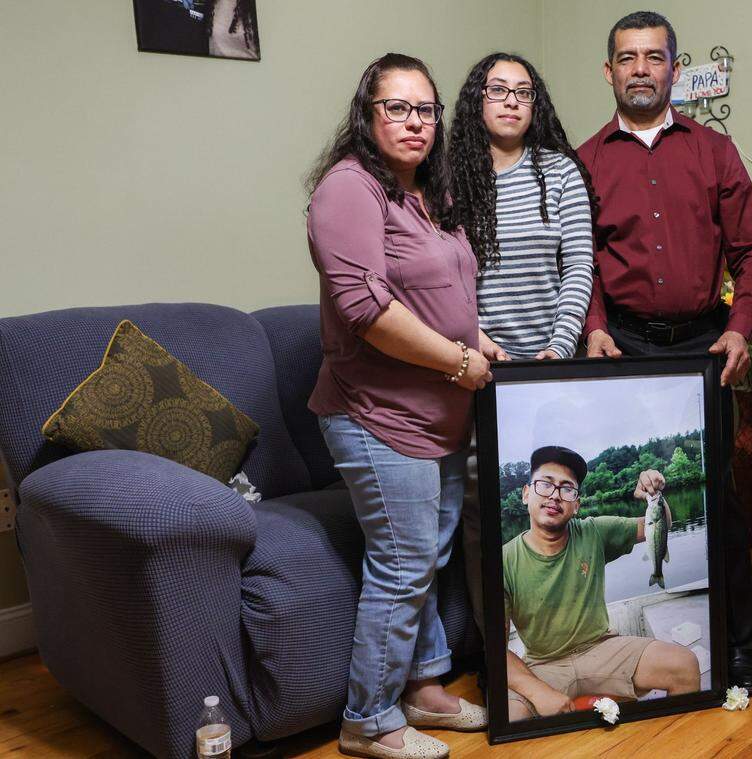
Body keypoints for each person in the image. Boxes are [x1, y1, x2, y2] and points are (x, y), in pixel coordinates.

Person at [578, 10, 752, 695]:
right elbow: (579, 263)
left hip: (704, 343)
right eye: (627, 58)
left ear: (673, 68)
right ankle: (627, 656)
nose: (640, 69)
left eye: (653, 57)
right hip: (622, 345)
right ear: (609, 72)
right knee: (641, 495)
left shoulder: (715, 151)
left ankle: (740, 647)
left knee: (719, 499)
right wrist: (594, 325)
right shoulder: (587, 160)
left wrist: (742, 326)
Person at [306, 53, 491, 759]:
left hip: (441, 416)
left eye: (426, 109)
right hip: (376, 415)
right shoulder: (348, 189)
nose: (415, 122)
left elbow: (448, 296)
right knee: (405, 560)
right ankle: (369, 718)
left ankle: (421, 684)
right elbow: (368, 309)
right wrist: (460, 361)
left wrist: (483, 343)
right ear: (368, 114)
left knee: (429, 554)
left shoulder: (424, 193)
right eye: (397, 107)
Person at [504, 446, 700, 720]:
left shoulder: (593, 532)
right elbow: (496, 650)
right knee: (511, 714)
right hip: (543, 664)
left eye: (567, 489)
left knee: (685, 665)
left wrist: (655, 494)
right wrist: (539, 693)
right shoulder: (503, 560)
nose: (554, 495)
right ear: (526, 493)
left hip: (602, 648)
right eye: (545, 484)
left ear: (577, 504)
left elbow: (660, 523)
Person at [449, 53, 596, 361]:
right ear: (477, 100)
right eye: (498, 90)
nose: (511, 101)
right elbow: (439, 278)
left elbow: (578, 267)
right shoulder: (449, 180)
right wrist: (472, 339)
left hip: (550, 360)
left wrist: (560, 347)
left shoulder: (561, 171)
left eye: (523, 92)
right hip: (474, 358)